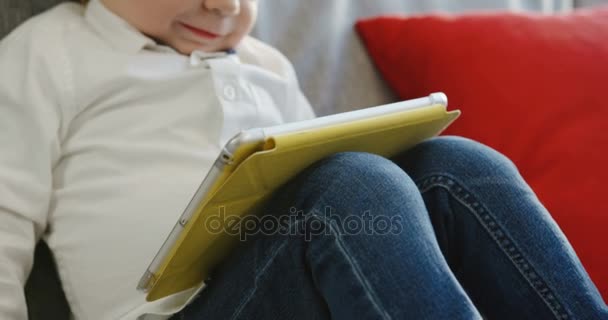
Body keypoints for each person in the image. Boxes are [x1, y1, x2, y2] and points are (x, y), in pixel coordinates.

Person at [0, 0, 605, 319]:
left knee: (454, 161)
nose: (223, 5)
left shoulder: (266, 65)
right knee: (351, 184)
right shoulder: (52, 50)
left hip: (294, 283)